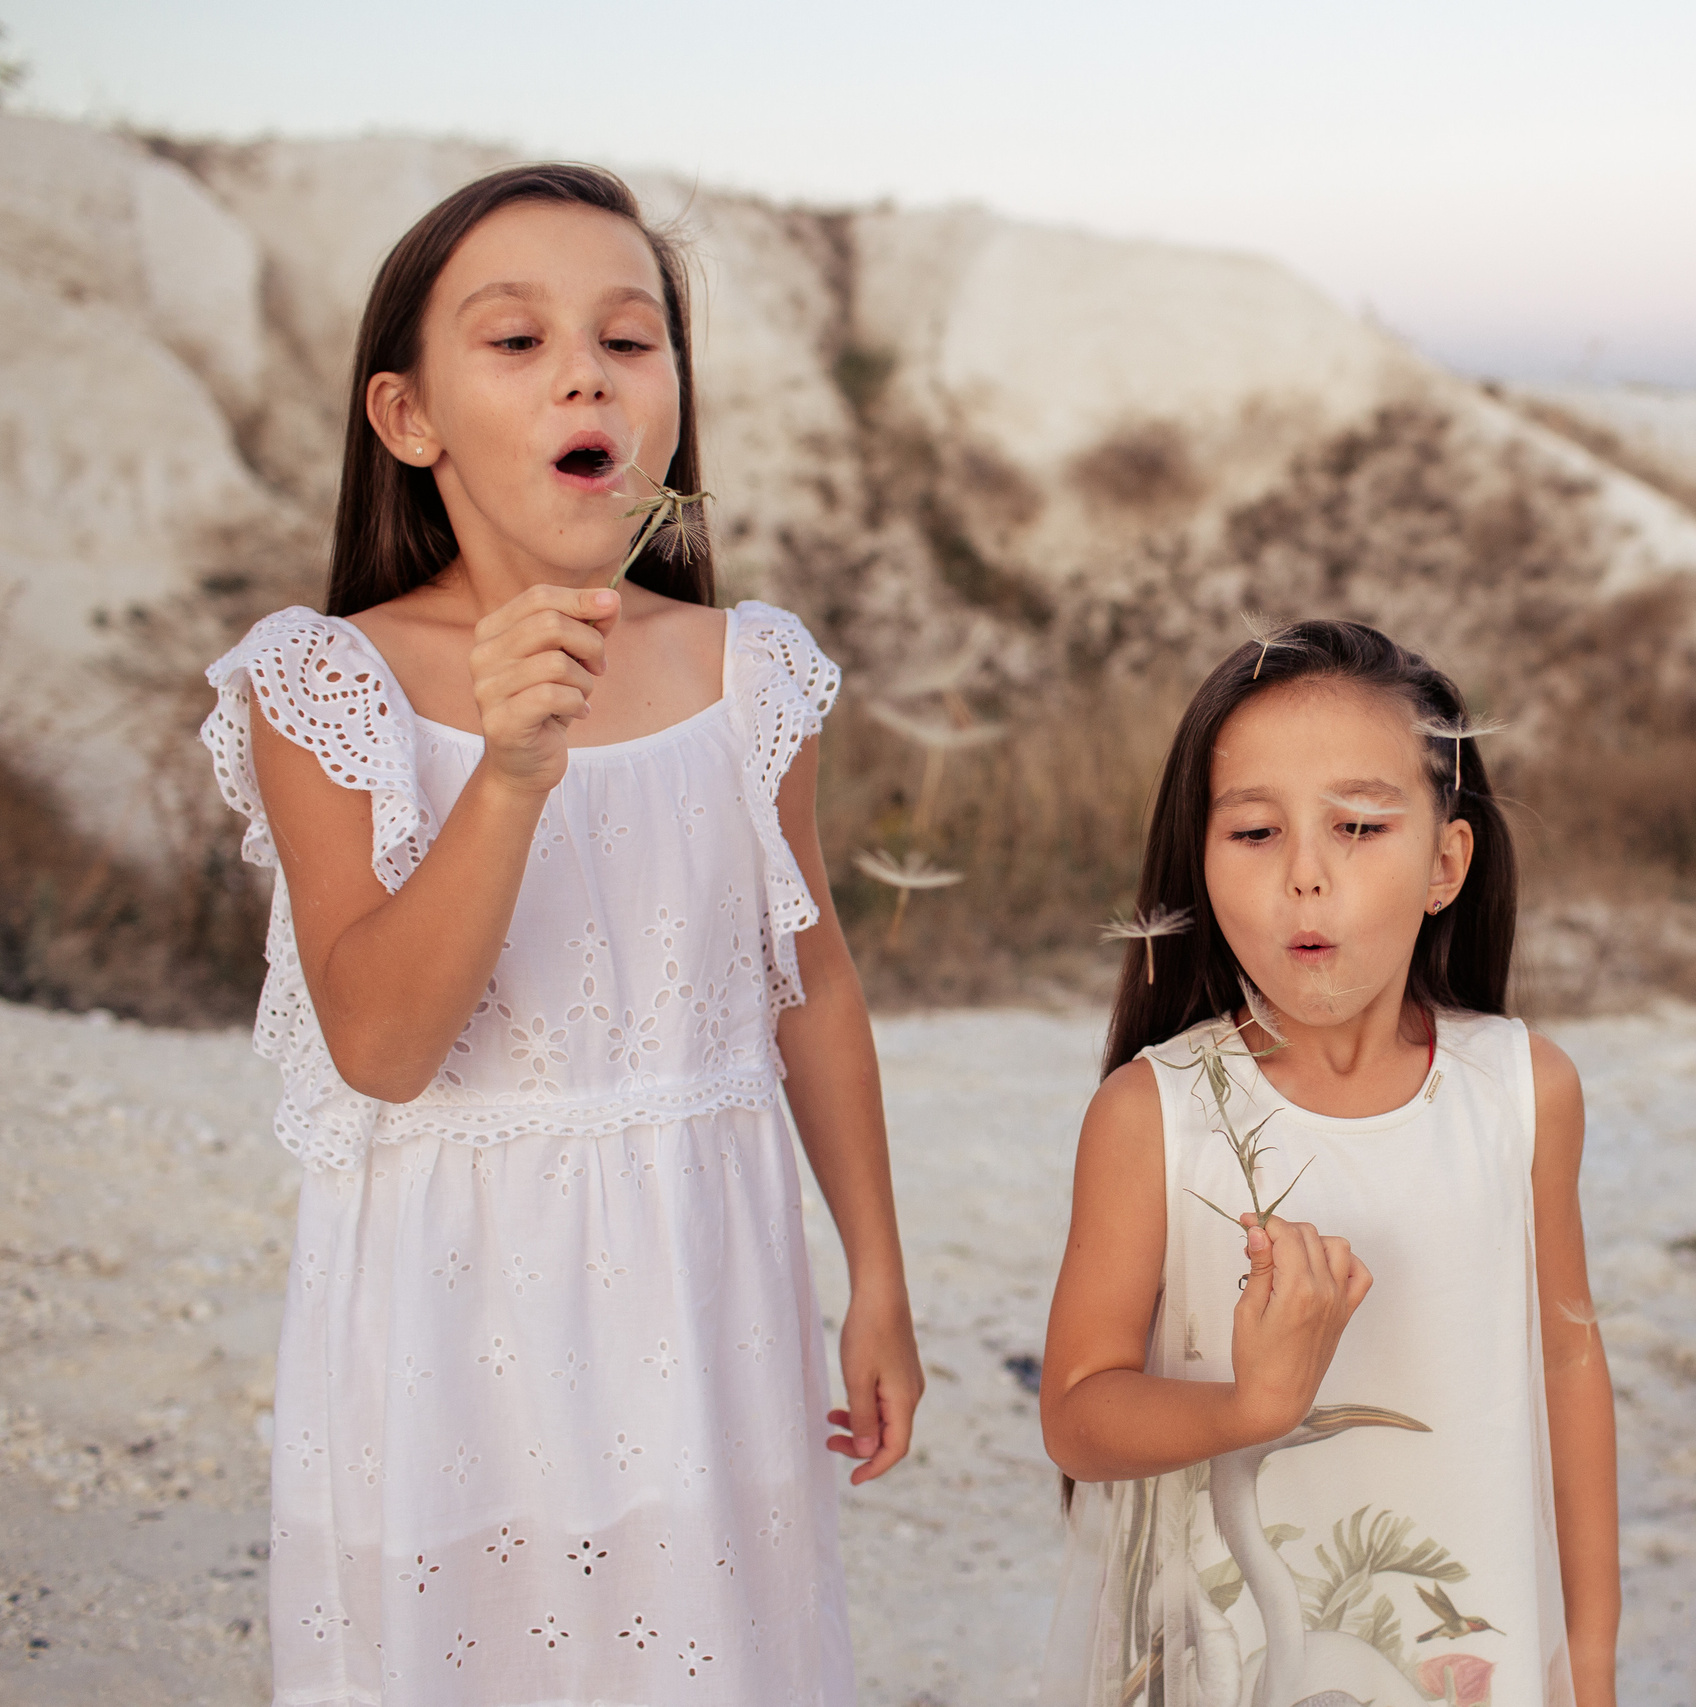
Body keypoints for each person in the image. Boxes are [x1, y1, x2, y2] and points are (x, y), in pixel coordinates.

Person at [198, 163, 919, 1704]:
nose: (584, 369)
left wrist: (876, 1269)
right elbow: (383, 1044)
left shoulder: (750, 670)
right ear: (409, 418)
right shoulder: (327, 682)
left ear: (666, 405)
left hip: (697, 1280)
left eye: (629, 337)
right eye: (515, 341)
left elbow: (810, 977)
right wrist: (512, 771)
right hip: (451, 1305)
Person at [1037, 621, 1619, 1707]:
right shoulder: (1154, 1115)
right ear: (1198, 864)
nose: (1305, 876)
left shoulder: (1521, 1095)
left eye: (1356, 825)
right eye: (1254, 833)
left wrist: (1588, 1659)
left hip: (1467, 1644)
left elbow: (1568, 1371)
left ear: (1446, 863)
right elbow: (1076, 1411)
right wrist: (1247, 1411)